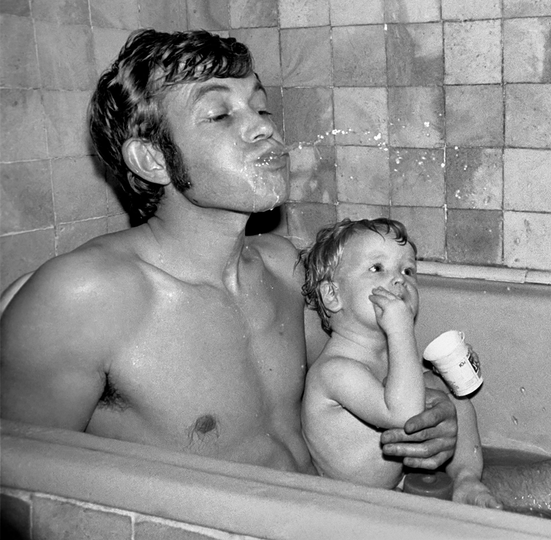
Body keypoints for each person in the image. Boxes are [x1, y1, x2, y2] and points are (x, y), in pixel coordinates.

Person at [0, 29, 459, 483]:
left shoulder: (285, 269)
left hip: (320, 510)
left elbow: (362, 371)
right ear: (152, 159)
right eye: (219, 114)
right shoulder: (84, 298)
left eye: (260, 107)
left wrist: (433, 413)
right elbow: (19, 490)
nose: (266, 126)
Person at [299, 218, 500, 507]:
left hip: (395, 491)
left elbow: (433, 400)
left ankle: (467, 479)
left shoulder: (392, 358)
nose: (399, 279)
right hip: (345, 508)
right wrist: (401, 330)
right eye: (377, 268)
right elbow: (404, 416)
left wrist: (455, 375)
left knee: (454, 398)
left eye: (408, 270)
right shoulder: (334, 371)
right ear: (333, 295)